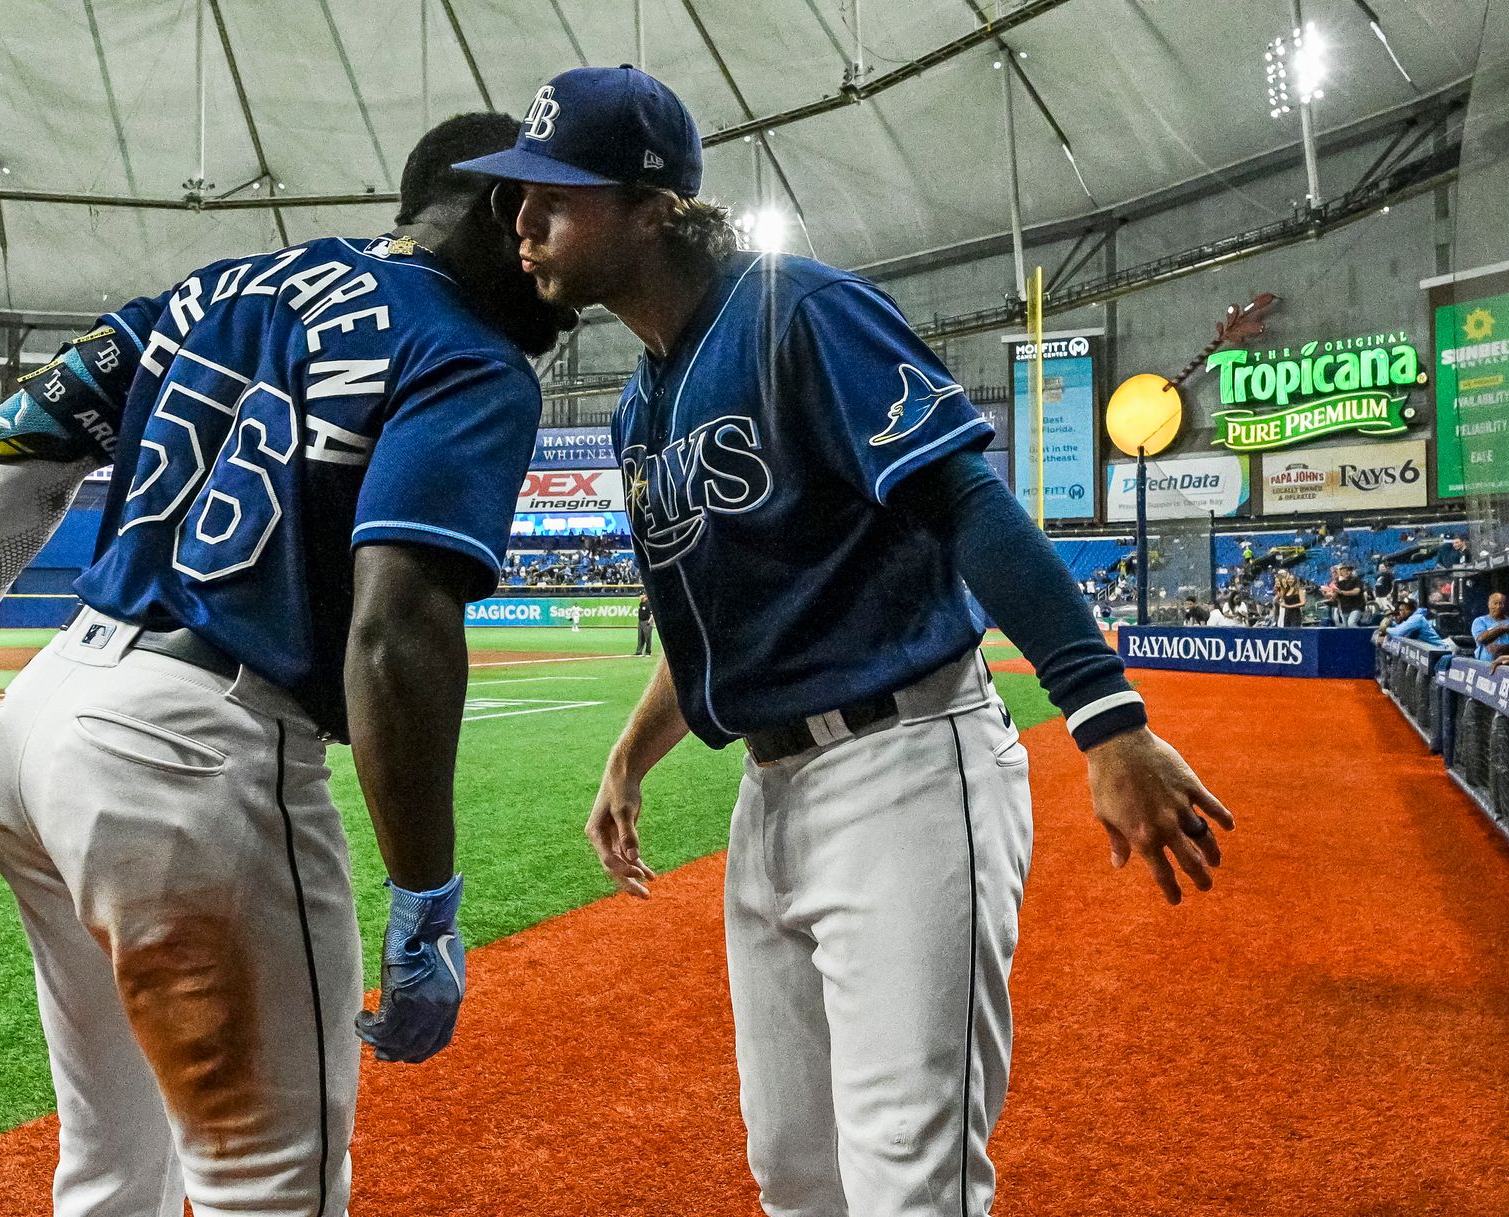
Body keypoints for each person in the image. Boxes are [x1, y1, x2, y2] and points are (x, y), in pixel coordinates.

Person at [464, 67, 1234, 1217]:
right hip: (769, 799)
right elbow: (711, 620)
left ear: (651, 203)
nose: (521, 223)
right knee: (794, 1171)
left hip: (908, 770)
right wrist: (630, 756)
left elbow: (967, 502)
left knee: (908, 1181)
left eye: (553, 195)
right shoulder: (640, 405)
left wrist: (1107, 717)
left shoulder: (798, 311)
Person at [0, 112, 576, 1217]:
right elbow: (395, 634)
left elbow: (29, 440)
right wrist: (426, 893)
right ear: (506, 211)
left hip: (38, 724)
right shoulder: (463, 351)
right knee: (268, 1184)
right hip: (193, 752)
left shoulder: (223, 284)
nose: (558, 287)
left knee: (113, 1163)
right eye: (544, 241)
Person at [1380, 595, 1445, 646]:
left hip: (1439, 651)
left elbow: (1398, 632)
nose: (1401, 612)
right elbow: (1400, 627)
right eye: (1400, 610)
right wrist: (1391, 623)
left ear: (1411, 610)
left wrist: (1386, 629)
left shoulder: (1417, 618)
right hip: (1431, 650)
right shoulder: (1411, 619)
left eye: (1404, 609)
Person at [1472, 590, 1509, 658]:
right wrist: (1501, 628)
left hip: (1505, 665)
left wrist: (1503, 648)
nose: (1499, 607)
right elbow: (1481, 639)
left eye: (1502, 603)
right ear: (1489, 605)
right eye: (1495, 603)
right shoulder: (1480, 621)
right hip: (1483, 665)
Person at [634, 591, 655, 656]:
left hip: (647, 622)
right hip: (640, 622)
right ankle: (639, 651)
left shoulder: (648, 604)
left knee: (647, 638)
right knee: (640, 637)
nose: (639, 597)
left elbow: (652, 614)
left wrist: (649, 622)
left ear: (644, 595)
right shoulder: (641, 603)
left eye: (640, 595)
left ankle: (648, 652)